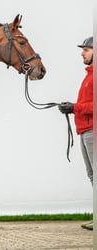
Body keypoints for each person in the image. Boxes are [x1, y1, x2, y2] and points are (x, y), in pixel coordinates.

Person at [58, 36, 93, 230]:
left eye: (86, 49)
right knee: (92, 175)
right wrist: (71, 107)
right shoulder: (89, 76)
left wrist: (75, 107)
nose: (82, 53)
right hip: (85, 130)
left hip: (92, 131)